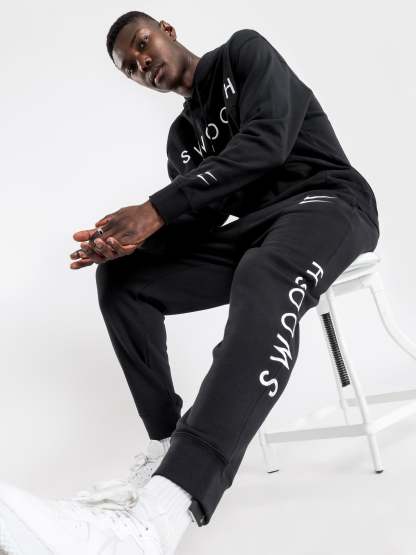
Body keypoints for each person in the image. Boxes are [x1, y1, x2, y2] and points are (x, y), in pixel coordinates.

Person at [0, 10, 380, 555]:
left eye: (142, 44)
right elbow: (198, 222)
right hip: (259, 231)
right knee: (124, 280)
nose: (142, 63)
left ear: (167, 30)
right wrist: (130, 243)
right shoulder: (183, 139)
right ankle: (165, 449)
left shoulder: (244, 53)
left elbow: (268, 140)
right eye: (130, 68)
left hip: (329, 203)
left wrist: (154, 209)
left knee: (263, 271)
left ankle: (159, 517)